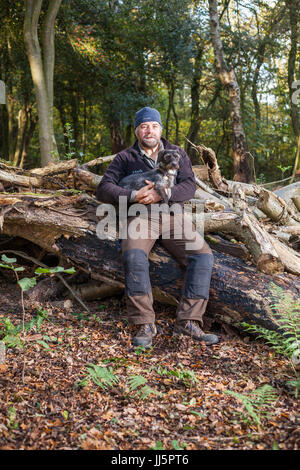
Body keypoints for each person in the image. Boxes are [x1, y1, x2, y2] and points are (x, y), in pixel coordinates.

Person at [97, 107, 218, 348]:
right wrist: (132, 194)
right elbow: (103, 188)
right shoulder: (125, 158)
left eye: (153, 125)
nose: (149, 130)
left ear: (160, 129)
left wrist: (163, 194)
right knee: (133, 256)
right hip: (140, 216)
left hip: (173, 215)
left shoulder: (177, 153)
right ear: (137, 131)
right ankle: (144, 323)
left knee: (203, 257)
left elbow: (189, 186)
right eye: (144, 126)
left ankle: (189, 322)